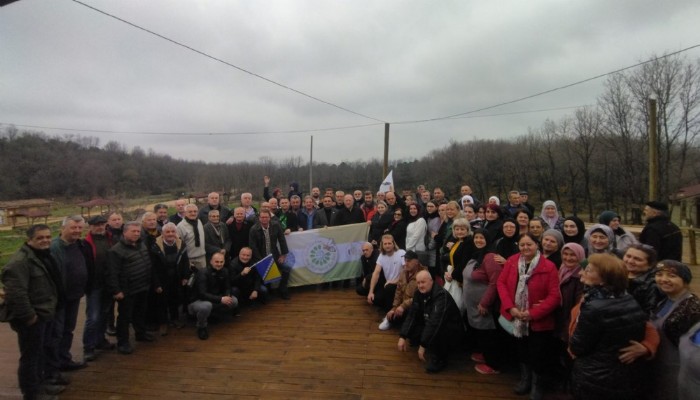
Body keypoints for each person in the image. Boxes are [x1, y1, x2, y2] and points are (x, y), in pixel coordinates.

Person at [568, 253, 648, 400]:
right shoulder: (627, 298)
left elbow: (578, 347)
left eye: (588, 270)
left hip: (595, 376)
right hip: (621, 374)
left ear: (604, 279)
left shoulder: (595, 307)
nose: (581, 272)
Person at [1, 224, 65, 399]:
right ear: (29, 240)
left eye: (47, 237)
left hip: (45, 313)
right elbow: (16, 294)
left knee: (40, 353)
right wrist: (30, 317)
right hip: (32, 318)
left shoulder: (43, 256)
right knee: (30, 357)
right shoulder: (19, 263)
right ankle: (32, 393)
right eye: (40, 238)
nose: (45, 240)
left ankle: (42, 385)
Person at [497, 232, 561, 399]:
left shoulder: (548, 267)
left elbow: (554, 296)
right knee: (522, 350)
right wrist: (510, 307)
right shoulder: (512, 261)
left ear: (537, 245)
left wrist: (532, 314)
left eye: (529, 244)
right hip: (516, 316)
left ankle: (537, 384)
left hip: (538, 319)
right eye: (522, 245)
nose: (525, 248)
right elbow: (501, 283)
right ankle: (525, 379)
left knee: (538, 353)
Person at [647, 260, 700, 400]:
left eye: (671, 275)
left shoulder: (691, 309)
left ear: (685, 280)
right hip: (659, 367)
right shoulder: (663, 300)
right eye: (659, 274)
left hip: (677, 371)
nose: (664, 279)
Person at [397, 270, 465, 373]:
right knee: (409, 316)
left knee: (438, 329)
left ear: (431, 281)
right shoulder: (418, 294)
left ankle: (440, 359)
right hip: (429, 321)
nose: (420, 286)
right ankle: (424, 342)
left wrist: (423, 345)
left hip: (451, 329)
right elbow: (412, 315)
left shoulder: (441, 296)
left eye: (423, 282)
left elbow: (435, 322)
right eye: (418, 283)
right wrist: (402, 336)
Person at [106, 221, 154, 355]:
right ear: (125, 232)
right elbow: (112, 273)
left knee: (140, 312)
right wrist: (116, 290)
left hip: (142, 285)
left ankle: (141, 333)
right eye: (133, 231)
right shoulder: (116, 251)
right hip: (127, 289)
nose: (136, 234)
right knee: (125, 317)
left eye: (138, 231)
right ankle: (123, 342)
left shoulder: (141, 245)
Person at [50, 215, 91, 371]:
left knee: (68, 330)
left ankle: (64, 359)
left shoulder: (79, 245)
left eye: (80, 228)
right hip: (59, 299)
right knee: (56, 333)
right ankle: (53, 367)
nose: (77, 231)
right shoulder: (54, 248)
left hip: (75, 295)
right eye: (73, 227)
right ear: (63, 228)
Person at [462, 229, 505, 375]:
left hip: (484, 305)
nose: (478, 240)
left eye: (482, 238)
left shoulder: (490, 257)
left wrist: (485, 303)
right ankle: (485, 354)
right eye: (476, 238)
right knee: (480, 332)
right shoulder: (477, 256)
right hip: (473, 305)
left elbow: (495, 282)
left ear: (488, 240)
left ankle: (493, 364)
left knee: (488, 334)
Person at [82, 215, 116, 362]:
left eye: (102, 224)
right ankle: (88, 347)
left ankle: (100, 340)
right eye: (96, 225)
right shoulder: (85, 244)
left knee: (104, 313)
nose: (99, 227)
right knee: (93, 317)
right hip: (94, 285)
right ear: (90, 226)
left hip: (108, 283)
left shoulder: (110, 239)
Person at [553, 242, 585, 391]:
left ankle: (568, 385)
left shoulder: (581, 278)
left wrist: (568, 327)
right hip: (558, 318)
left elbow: (578, 306)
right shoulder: (562, 270)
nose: (568, 258)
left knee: (568, 357)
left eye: (573, 255)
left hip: (569, 323)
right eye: (565, 254)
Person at [188, 252, 239, 340]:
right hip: (198, 301)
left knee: (233, 301)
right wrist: (221, 299)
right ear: (211, 262)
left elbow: (227, 287)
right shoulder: (202, 273)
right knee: (206, 306)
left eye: (221, 262)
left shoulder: (225, 271)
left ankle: (213, 314)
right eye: (217, 262)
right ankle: (201, 327)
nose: (219, 264)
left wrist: (227, 296)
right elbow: (202, 294)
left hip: (215, 298)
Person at [151, 222, 190, 334]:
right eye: (167, 232)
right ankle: (163, 323)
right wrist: (156, 283)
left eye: (173, 231)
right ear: (162, 234)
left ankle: (175, 319)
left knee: (175, 298)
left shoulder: (181, 244)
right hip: (162, 278)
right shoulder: (155, 246)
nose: (170, 234)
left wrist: (185, 276)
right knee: (162, 301)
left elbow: (185, 262)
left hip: (176, 277)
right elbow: (152, 267)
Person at [249, 210, 292, 300]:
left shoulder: (276, 225)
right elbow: (253, 247)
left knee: (287, 268)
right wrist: (262, 261)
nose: (264, 219)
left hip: (274, 256)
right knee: (265, 277)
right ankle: (268, 292)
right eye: (262, 217)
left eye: (266, 217)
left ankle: (282, 288)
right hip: (261, 258)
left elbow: (282, 239)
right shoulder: (253, 229)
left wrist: (283, 254)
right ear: (259, 218)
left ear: (270, 218)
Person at [378, 250, 426, 331]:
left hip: (415, 306)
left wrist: (403, 306)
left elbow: (421, 296)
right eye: (405, 260)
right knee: (389, 289)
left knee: (409, 321)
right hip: (403, 305)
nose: (406, 263)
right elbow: (398, 291)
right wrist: (394, 307)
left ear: (416, 262)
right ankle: (390, 318)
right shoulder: (403, 273)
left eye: (409, 261)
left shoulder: (423, 275)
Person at [367, 234, 405, 312]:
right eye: (385, 244)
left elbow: (406, 271)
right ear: (382, 245)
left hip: (400, 284)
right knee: (374, 299)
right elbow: (376, 273)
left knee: (389, 288)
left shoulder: (401, 253)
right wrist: (370, 292)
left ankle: (389, 312)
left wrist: (395, 281)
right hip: (388, 285)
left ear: (393, 244)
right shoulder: (381, 256)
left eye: (389, 243)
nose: (387, 246)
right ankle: (388, 307)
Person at [623, 243, 661, 313]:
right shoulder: (617, 274)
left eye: (637, 259)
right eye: (628, 256)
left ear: (650, 264)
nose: (630, 261)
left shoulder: (652, 285)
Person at [177, 204, 207, 270]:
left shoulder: (199, 222)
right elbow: (179, 245)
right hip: (189, 259)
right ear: (185, 213)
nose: (193, 213)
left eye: (195, 211)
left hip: (202, 257)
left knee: (203, 278)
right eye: (190, 212)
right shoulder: (180, 226)